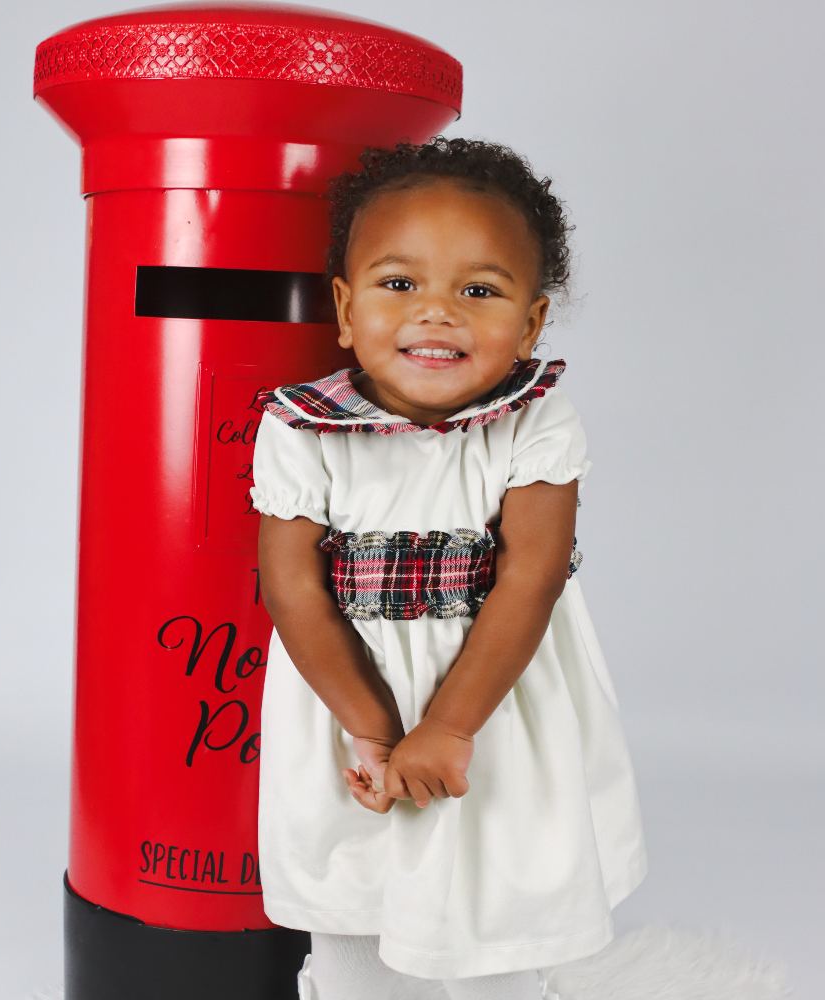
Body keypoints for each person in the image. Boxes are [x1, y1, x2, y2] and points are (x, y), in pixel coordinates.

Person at [250, 138, 646, 1000]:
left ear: (532, 323)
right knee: (357, 883)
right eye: (400, 285)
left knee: (492, 879)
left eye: (479, 290)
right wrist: (373, 727)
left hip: (493, 697)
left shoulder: (535, 424)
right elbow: (290, 588)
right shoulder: (299, 428)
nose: (437, 313)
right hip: (350, 700)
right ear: (347, 310)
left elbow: (531, 577)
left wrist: (452, 727)